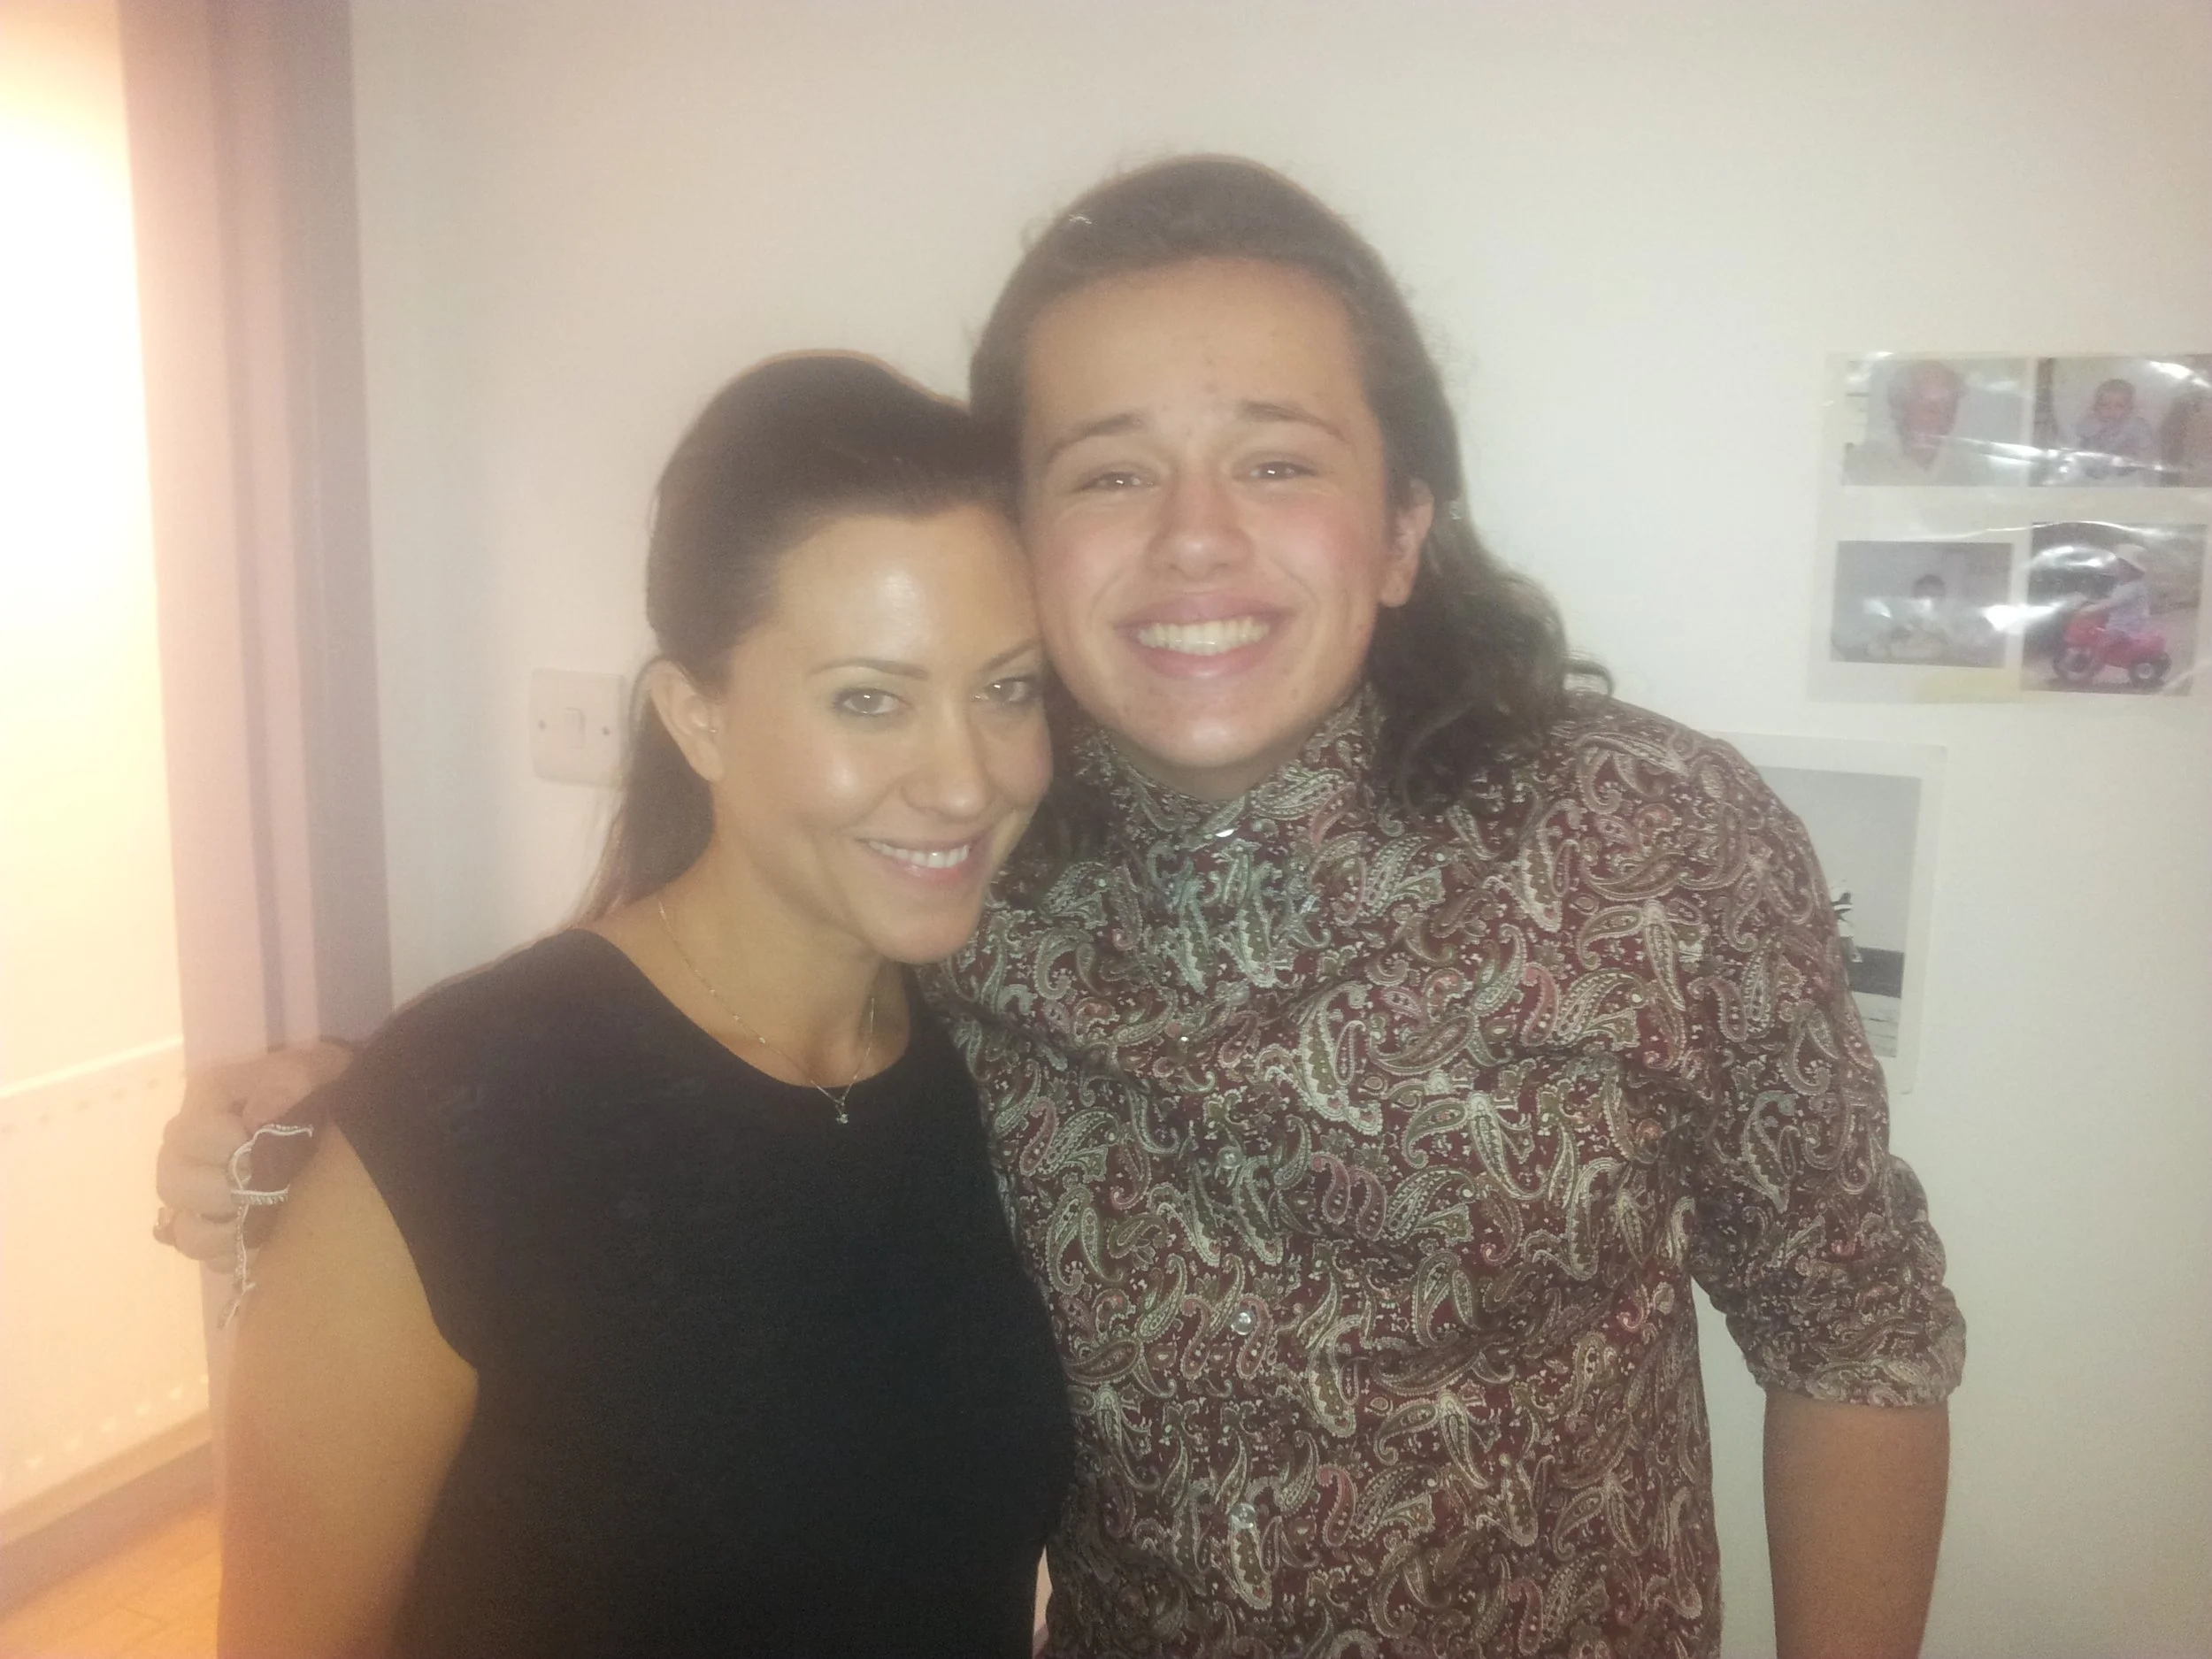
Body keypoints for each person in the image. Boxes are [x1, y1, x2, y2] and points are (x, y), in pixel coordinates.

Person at [165, 157, 1963, 1659]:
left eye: (1276, 459)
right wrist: (327, 1132)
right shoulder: (981, 859)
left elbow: (1854, 1327)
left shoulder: (1655, 840)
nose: (1191, 536)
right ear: (1025, 534)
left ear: (1403, 527)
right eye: (1108, 468)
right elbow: (672, 1067)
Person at [213, 354, 1072, 1658]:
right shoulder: (461, 1120)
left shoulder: (997, 1066)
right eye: (869, 699)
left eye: (1007, 686)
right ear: (698, 717)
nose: (964, 780)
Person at [1843, 357, 2002, 485]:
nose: (1939, 415)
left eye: (1948, 406)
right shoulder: (1863, 463)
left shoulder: (1975, 469)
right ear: (1901, 406)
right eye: (1927, 405)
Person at [2070, 377, 2157, 484]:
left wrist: (2143, 457)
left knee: (2129, 459)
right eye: (2104, 405)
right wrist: (2096, 424)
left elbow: (2146, 443)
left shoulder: (2135, 423)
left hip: (2123, 461)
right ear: (2095, 406)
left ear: (2130, 408)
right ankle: (2092, 473)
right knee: (2085, 450)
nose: (2111, 410)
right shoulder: (2092, 420)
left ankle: (2122, 472)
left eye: (2119, 406)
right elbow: (2080, 432)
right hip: (2095, 459)